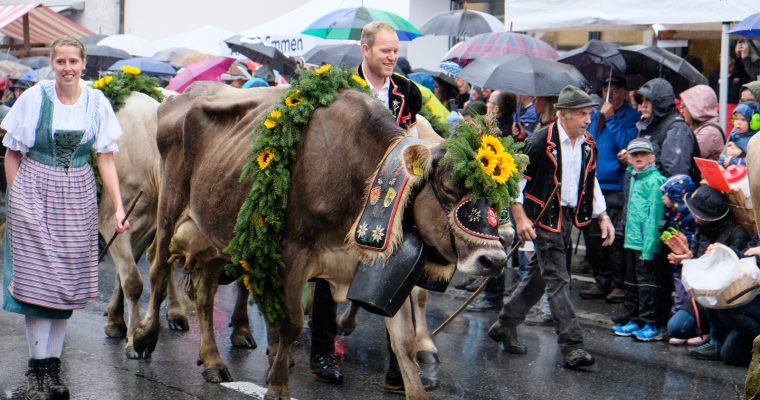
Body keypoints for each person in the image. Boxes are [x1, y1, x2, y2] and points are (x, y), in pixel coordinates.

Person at [2, 36, 129, 400]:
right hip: (35, 190)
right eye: (61, 62)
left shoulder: (95, 101)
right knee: (36, 284)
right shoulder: (35, 98)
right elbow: (12, 153)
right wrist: (18, 198)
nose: (68, 68)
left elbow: (105, 156)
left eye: (74, 61)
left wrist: (118, 207)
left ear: (83, 63)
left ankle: (52, 375)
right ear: (53, 65)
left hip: (78, 197)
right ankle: (35, 373)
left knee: (65, 286)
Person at [310, 21, 423, 391]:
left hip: (392, 197)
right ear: (365, 50)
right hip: (348, 195)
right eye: (384, 50)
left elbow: (414, 138)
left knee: (400, 274)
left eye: (395, 51)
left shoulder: (408, 92)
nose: (392, 57)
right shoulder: (343, 90)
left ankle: (398, 366)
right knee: (331, 274)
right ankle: (322, 353)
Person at [488, 85, 615, 370]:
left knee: (540, 278)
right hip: (542, 219)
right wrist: (520, 219)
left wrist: (603, 215)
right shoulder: (538, 142)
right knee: (559, 278)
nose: (587, 120)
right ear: (565, 114)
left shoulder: (587, 144)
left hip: (566, 218)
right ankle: (573, 346)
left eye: (589, 114)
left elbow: (589, 181)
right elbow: (515, 183)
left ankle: (504, 324)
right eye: (582, 114)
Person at [663, 185, 752, 362]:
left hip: (726, 297)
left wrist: (718, 254)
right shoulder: (701, 230)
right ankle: (708, 333)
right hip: (703, 295)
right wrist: (687, 258)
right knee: (675, 328)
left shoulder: (737, 233)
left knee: (729, 351)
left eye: (699, 212)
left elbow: (728, 272)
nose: (694, 215)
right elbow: (699, 266)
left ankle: (718, 336)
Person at [581, 75, 639, 303]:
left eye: (615, 90)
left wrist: (612, 119)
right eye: (606, 89)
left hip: (614, 186)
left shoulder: (631, 117)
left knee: (612, 240)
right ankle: (601, 280)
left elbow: (628, 143)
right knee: (592, 237)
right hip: (592, 184)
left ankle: (618, 284)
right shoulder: (594, 116)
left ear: (624, 93)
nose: (611, 94)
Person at [610, 138, 667, 341]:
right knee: (632, 283)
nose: (639, 158)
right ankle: (635, 318)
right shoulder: (634, 176)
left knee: (647, 285)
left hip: (645, 242)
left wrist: (650, 245)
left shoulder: (655, 181)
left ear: (652, 157)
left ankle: (651, 323)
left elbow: (655, 216)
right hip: (632, 240)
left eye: (643, 154)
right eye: (635, 155)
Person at [635, 78, 698, 179]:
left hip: (660, 193)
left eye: (648, 100)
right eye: (642, 100)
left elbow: (676, 177)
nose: (643, 105)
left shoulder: (677, 129)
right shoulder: (646, 125)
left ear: (659, 102)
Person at [679, 84, 724, 160]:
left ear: (697, 108)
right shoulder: (700, 126)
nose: (681, 111)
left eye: (684, 107)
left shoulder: (709, 133)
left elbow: (682, 156)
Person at [718, 103, 759, 167]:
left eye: (743, 119)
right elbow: (726, 153)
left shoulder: (756, 140)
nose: (738, 123)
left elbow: (754, 162)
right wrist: (719, 164)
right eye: (736, 119)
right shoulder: (734, 134)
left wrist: (737, 157)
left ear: (753, 122)